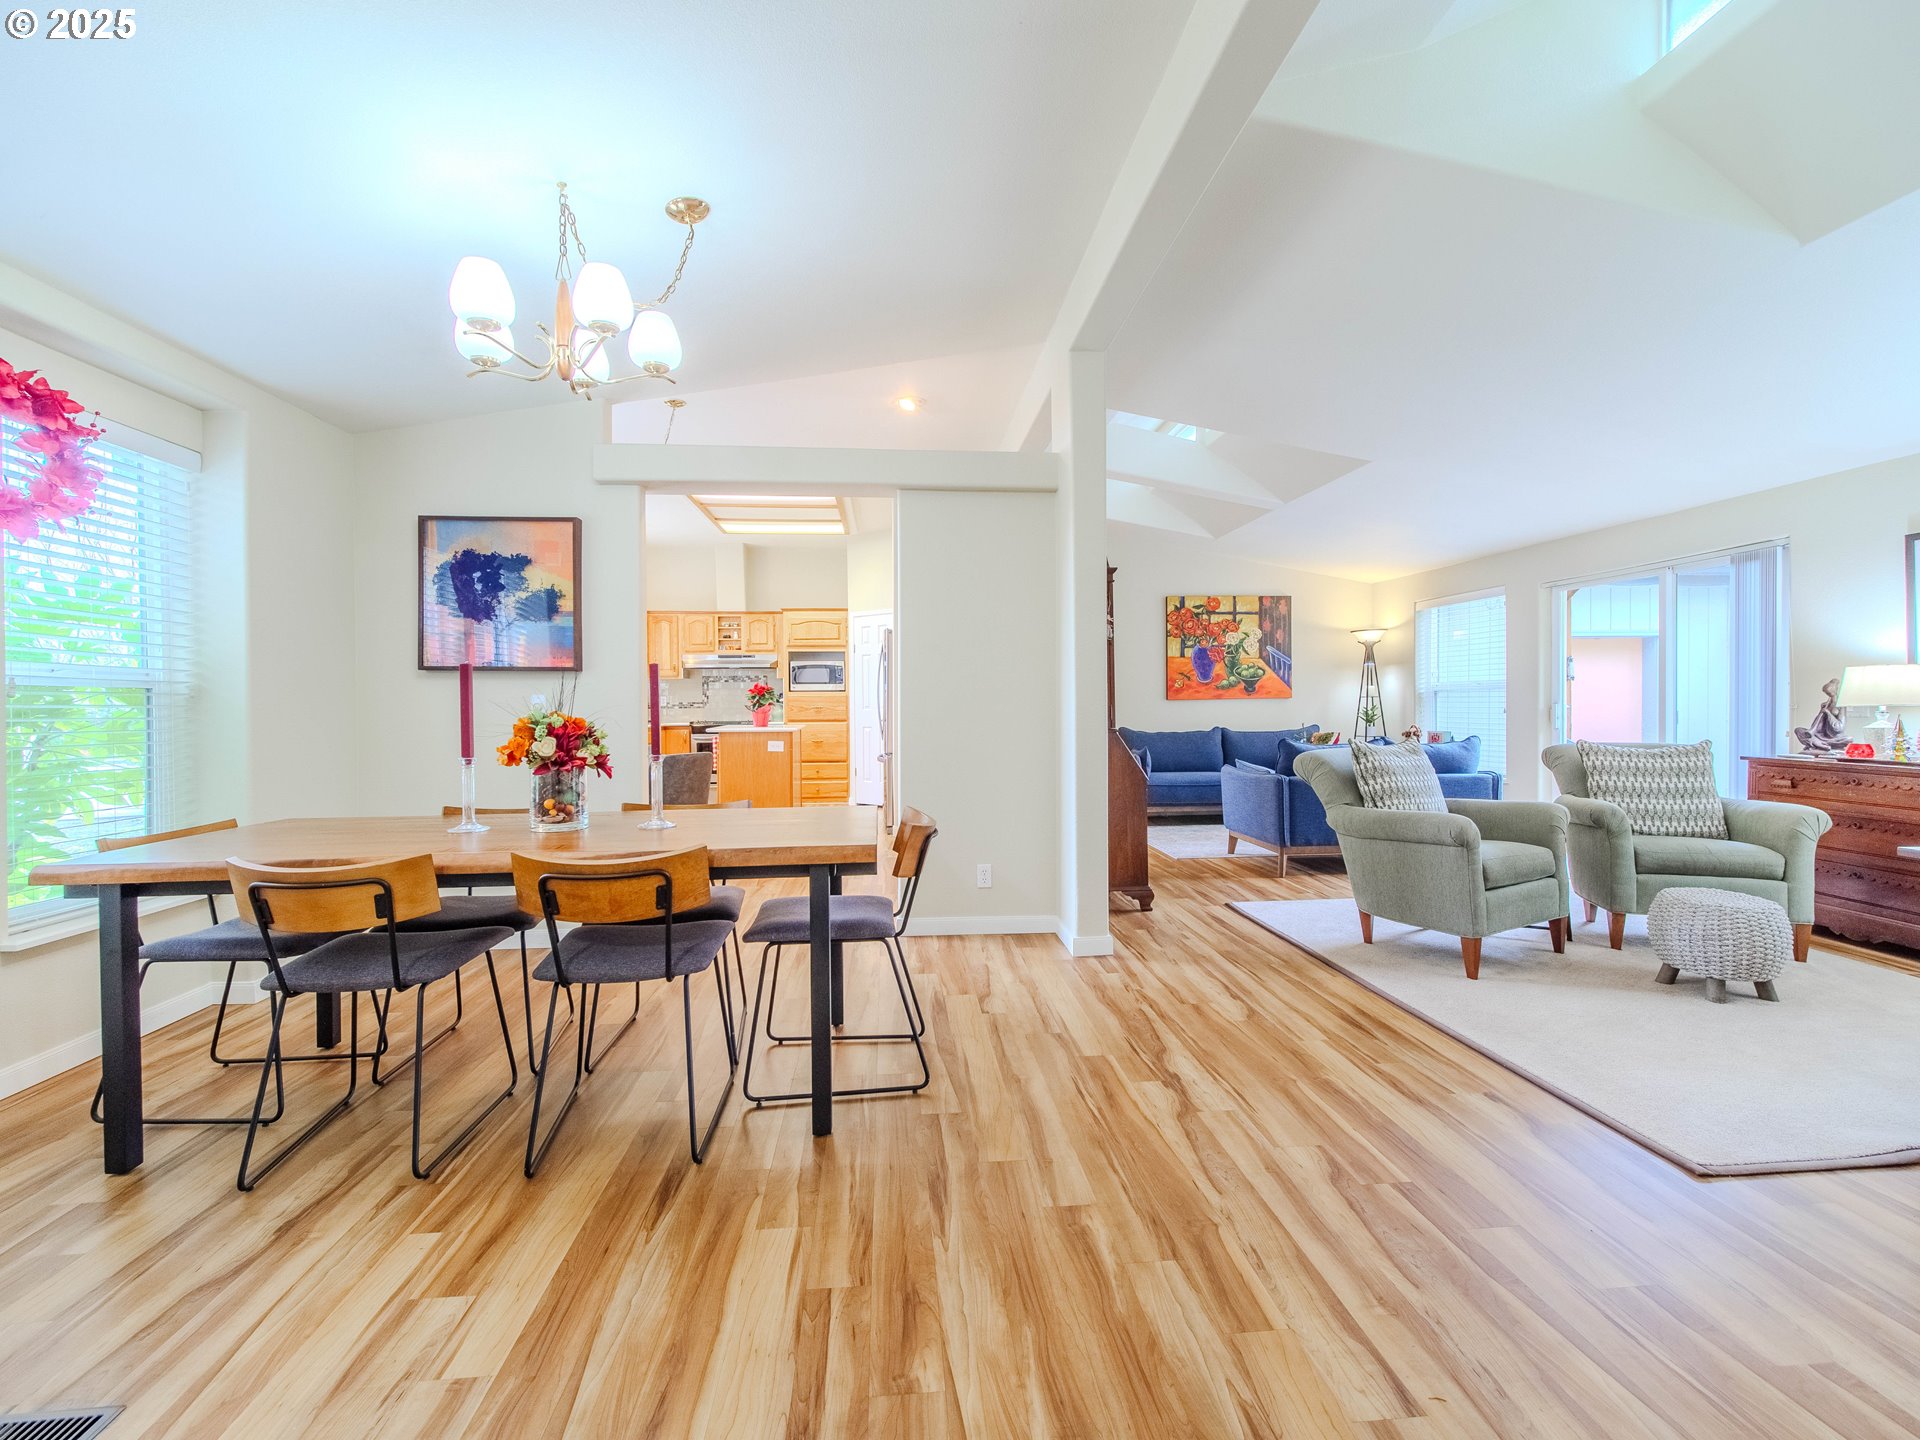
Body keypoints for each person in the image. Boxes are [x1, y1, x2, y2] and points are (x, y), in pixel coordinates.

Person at [1793, 678, 1848, 754]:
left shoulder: (1841, 705)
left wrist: (1828, 713)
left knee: (1848, 740)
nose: (1828, 695)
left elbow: (1839, 728)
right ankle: (1821, 746)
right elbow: (1817, 727)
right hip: (1821, 736)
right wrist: (1821, 712)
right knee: (1798, 730)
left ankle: (1820, 746)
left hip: (1833, 738)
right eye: (1827, 694)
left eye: (1829, 693)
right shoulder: (1826, 704)